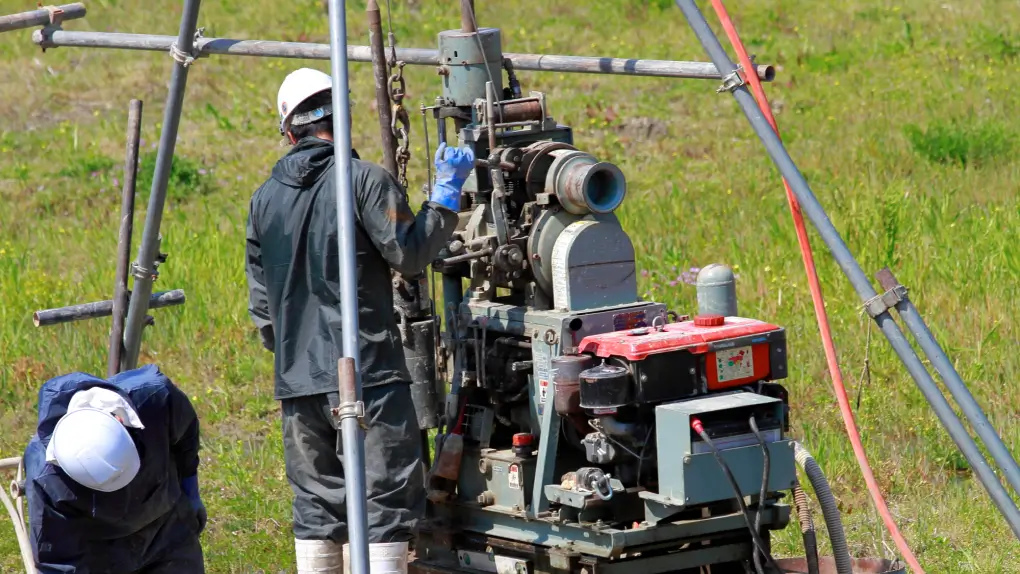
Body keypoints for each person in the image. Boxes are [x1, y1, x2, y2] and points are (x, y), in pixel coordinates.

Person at [245, 67, 473, 574]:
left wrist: (300, 361)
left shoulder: (263, 200)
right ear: (342, 116)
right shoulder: (362, 180)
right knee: (384, 502)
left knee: (317, 506)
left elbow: (263, 312)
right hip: (367, 370)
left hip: (298, 385)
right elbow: (411, 257)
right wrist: (445, 198)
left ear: (288, 131)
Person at [22, 364, 206, 574]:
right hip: (101, 550)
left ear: (120, 421)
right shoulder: (47, 477)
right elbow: (58, 561)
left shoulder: (155, 400)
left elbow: (186, 437)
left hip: (168, 528)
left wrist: (191, 489)